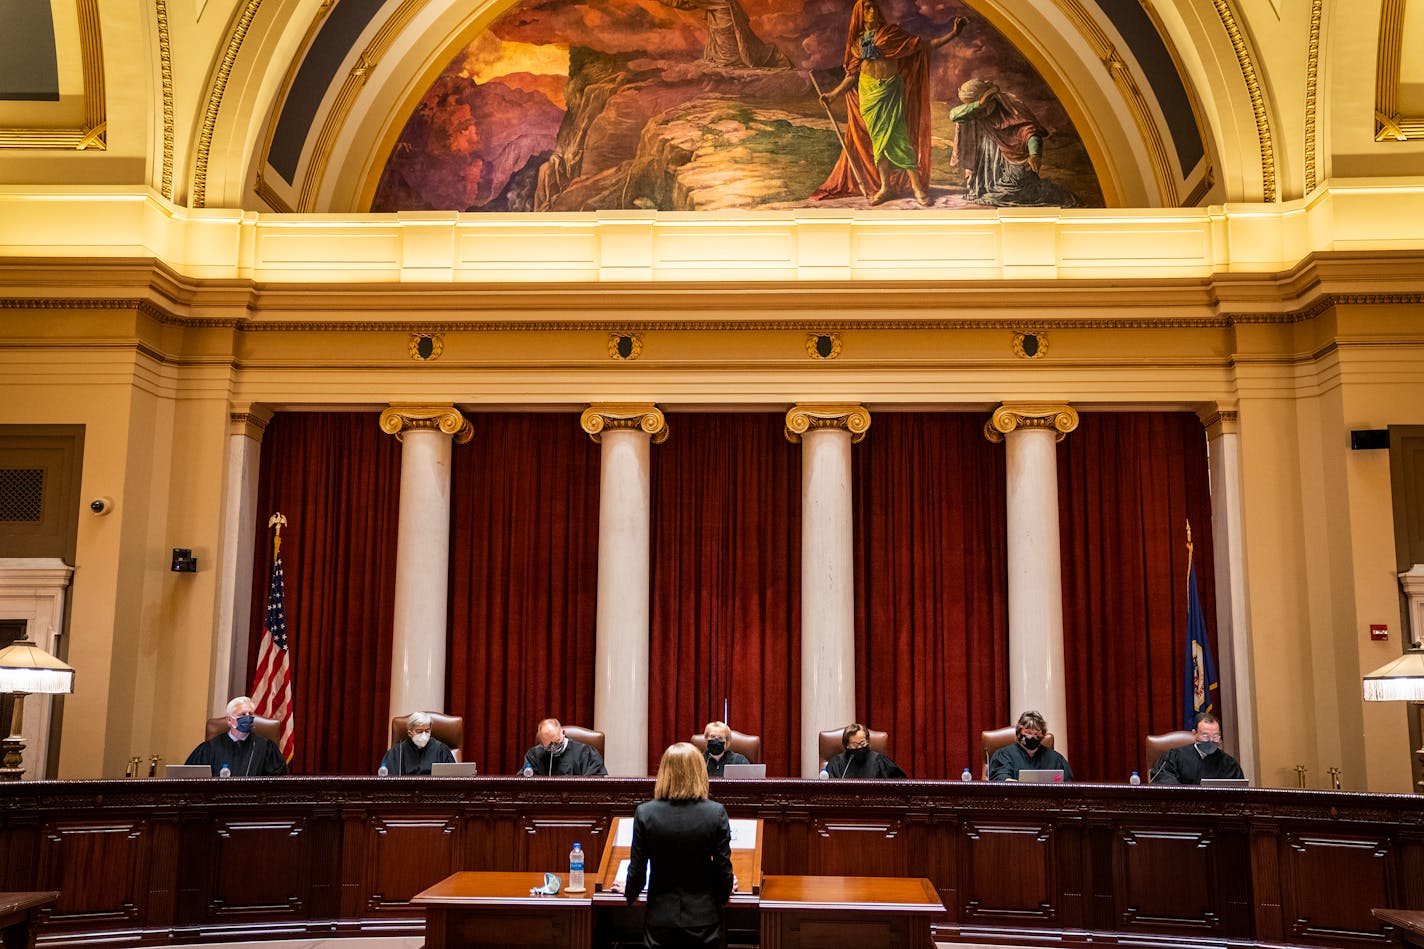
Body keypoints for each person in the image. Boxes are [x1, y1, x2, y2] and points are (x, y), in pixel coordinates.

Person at [814, 0, 966, 205]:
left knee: (899, 138)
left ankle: (917, 188)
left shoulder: (891, 34)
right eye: (867, 7)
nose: (872, 10)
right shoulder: (858, 42)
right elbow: (852, 75)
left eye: (874, 7)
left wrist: (953, 34)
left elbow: (925, 45)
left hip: (890, 90)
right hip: (868, 93)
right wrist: (832, 94)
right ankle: (886, 187)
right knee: (879, 142)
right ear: (860, 13)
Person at [621, 742, 735, 948]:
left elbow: (637, 868)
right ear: (700, 773)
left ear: (664, 773)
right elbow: (723, 868)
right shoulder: (715, 812)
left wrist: (629, 892)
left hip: (660, 918)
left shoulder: (645, 813)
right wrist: (725, 891)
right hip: (704, 919)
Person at [950, 77, 1080, 207]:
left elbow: (1030, 131)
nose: (978, 113)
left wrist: (1035, 154)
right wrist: (979, 104)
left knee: (1017, 192)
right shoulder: (979, 110)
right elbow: (954, 115)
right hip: (990, 156)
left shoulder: (1011, 107)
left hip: (1015, 159)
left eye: (980, 107)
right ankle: (991, 187)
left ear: (991, 100)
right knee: (992, 193)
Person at [656, 0, 791, 69]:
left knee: (732, 59)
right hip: (721, 20)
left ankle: (772, 56)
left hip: (726, 20)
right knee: (730, 58)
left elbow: (680, 3)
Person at [185, 695, 288, 776]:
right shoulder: (209, 749)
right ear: (229, 720)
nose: (248, 718)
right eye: (242, 715)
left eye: (250, 714)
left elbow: (278, 783)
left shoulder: (266, 749)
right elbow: (189, 779)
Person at [1150, 713, 1246, 784]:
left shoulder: (1229, 764)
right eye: (1205, 735)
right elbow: (1163, 782)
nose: (1211, 740)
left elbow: (1239, 794)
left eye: (1215, 736)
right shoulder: (1174, 757)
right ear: (1194, 734)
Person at [987, 710, 1074, 781]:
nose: (1032, 736)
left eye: (1037, 733)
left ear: (1043, 734)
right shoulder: (1004, 755)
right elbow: (1000, 779)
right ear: (1019, 732)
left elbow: (1068, 785)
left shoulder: (1056, 759)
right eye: (1028, 732)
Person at [520, 717, 608, 775]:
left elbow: (596, 784)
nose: (554, 746)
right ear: (542, 742)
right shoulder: (534, 755)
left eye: (557, 741)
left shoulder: (586, 753)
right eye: (549, 744)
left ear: (563, 733)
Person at [379, 711, 456, 775]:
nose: (424, 735)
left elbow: (453, 778)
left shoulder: (441, 750)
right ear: (410, 733)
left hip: (433, 792)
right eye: (419, 731)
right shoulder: (397, 751)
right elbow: (388, 781)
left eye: (427, 731)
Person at [823, 723, 907, 778]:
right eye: (855, 745)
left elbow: (900, 781)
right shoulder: (836, 763)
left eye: (862, 743)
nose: (859, 747)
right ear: (847, 745)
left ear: (867, 741)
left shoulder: (879, 761)